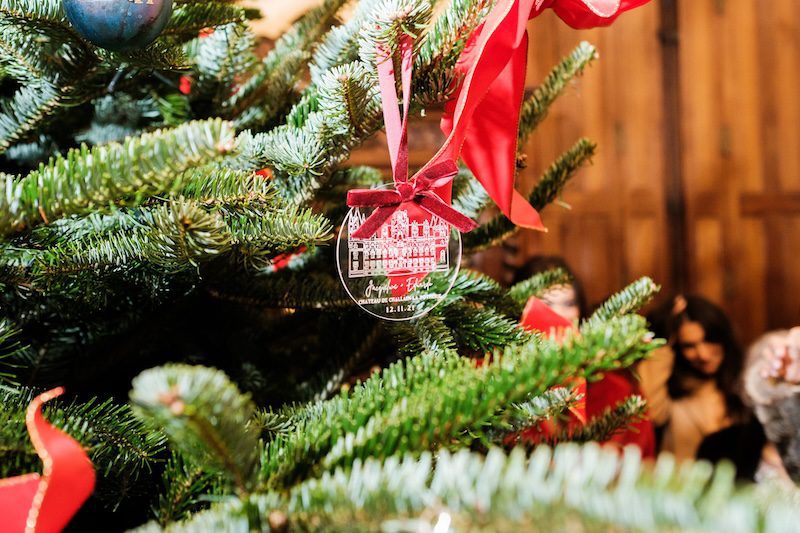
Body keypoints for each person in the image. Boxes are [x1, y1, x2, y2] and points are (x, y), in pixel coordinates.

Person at [514, 255, 656, 457]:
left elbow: (642, 458)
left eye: (569, 303)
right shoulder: (500, 381)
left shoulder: (617, 388)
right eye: (545, 304)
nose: (560, 315)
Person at [641, 296, 762, 473]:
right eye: (689, 346)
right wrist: (661, 344)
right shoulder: (672, 393)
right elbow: (651, 412)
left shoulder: (749, 384)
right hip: (685, 493)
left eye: (709, 339)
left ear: (722, 336)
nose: (703, 354)